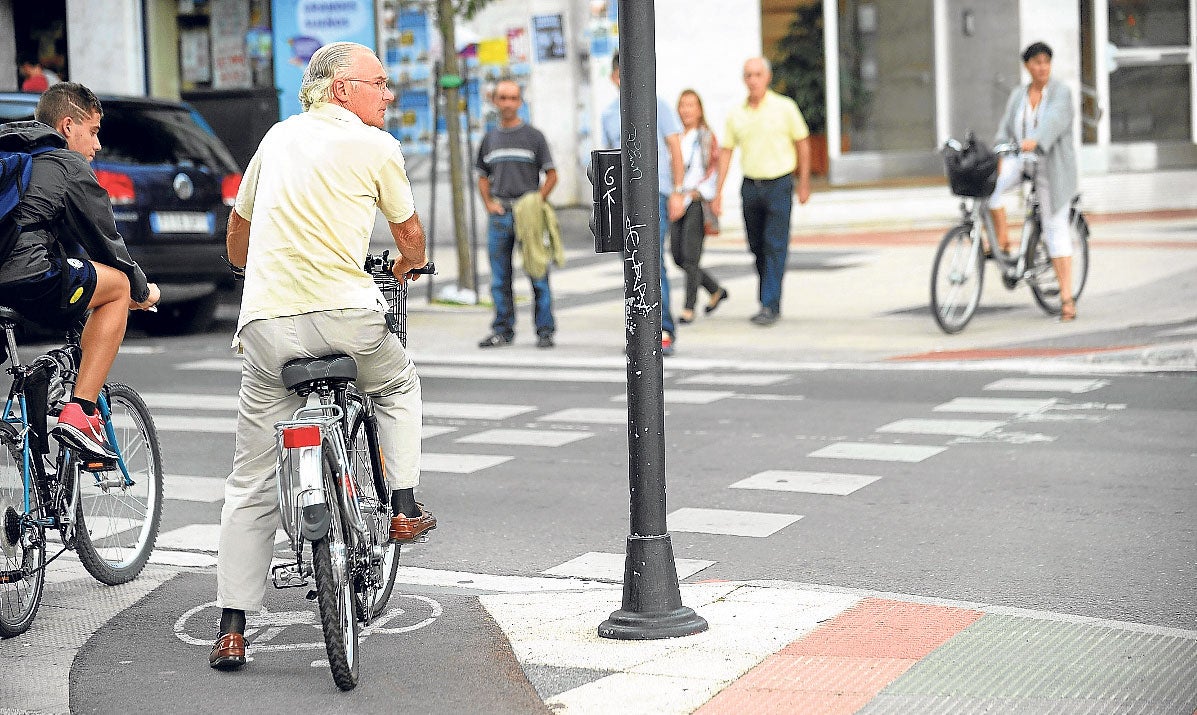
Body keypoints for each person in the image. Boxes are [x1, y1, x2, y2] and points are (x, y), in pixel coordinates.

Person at [210, 41, 433, 671]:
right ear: (340, 89)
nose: (386, 95)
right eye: (378, 84)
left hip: (268, 328)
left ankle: (231, 626)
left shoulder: (277, 139)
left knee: (250, 477)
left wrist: (244, 269)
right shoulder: (376, 147)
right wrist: (409, 265)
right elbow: (409, 234)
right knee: (396, 387)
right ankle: (404, 507)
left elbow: (240, 228)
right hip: (348, 321)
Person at [0, 83, 160, 457]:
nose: (97, 146)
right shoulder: (65, 162)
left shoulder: (10, 151)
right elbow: (105, 241)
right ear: (68, 125)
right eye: (94, 131)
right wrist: (142, 291)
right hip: (29, 276)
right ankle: (81, 412)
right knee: (116, 286)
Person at [715, 57, 811, 327]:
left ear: (767, 78)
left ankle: (769, 303)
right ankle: (768, 297)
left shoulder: (785, 108)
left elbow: (803, 143)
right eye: (748, 75)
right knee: (757, 246)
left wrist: (804, 183)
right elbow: (726, 152)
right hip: (751, 186)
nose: (753, 80)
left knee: (774, 245)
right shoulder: (737, 113)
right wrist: (718, 192)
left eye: (757, 75)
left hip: (779, 184)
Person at [601, 50, 685, 356]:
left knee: (653, 261)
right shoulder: (609, 114)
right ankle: (637, 329)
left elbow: (675, 148)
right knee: (631, 264)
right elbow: (608, 160)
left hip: (656, 195)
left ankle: (663, 328)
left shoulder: (657, 105)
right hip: (623, 199)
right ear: (614, 78)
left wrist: (678, 190)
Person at [989, 41, 1079, 322]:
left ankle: (1066, 298)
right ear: (1027, 65)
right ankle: (1001, 242)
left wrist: (1035, 140)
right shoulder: (1018, 94)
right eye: (1036, 62)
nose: (1042, 67)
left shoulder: (1061, 93)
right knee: (989, 187)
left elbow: (1053, 122)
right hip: (1021, 160)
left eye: (1046, 62)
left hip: (1051, 165)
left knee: (1055, 228)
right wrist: (1001, 149)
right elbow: (1005, 128)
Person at [475, 79, 560, 349]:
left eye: (513, 98)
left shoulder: (534, 137)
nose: (508, 103)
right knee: (499, 278)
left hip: (528, 215)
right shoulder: (489, 139)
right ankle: (503, 329)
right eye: (503, 98)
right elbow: (482, 176)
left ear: (520, 102)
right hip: (500, 214)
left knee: (537, 271)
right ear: (495, 101)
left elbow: (552, 174)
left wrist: (537, 201)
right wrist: (488, 203)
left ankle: (544, 330)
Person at [670, 89, 728, 324]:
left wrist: (701, 193)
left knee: (691, 256)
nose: (686, 110)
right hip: (677, 201)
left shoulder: (706, 136)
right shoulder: (675, 137)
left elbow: (712, 168)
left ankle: (688, 307)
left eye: (691, 105)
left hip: (696, 201)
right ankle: (715, 289)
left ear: (700, 109)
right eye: (683, 105)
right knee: (677, 256)